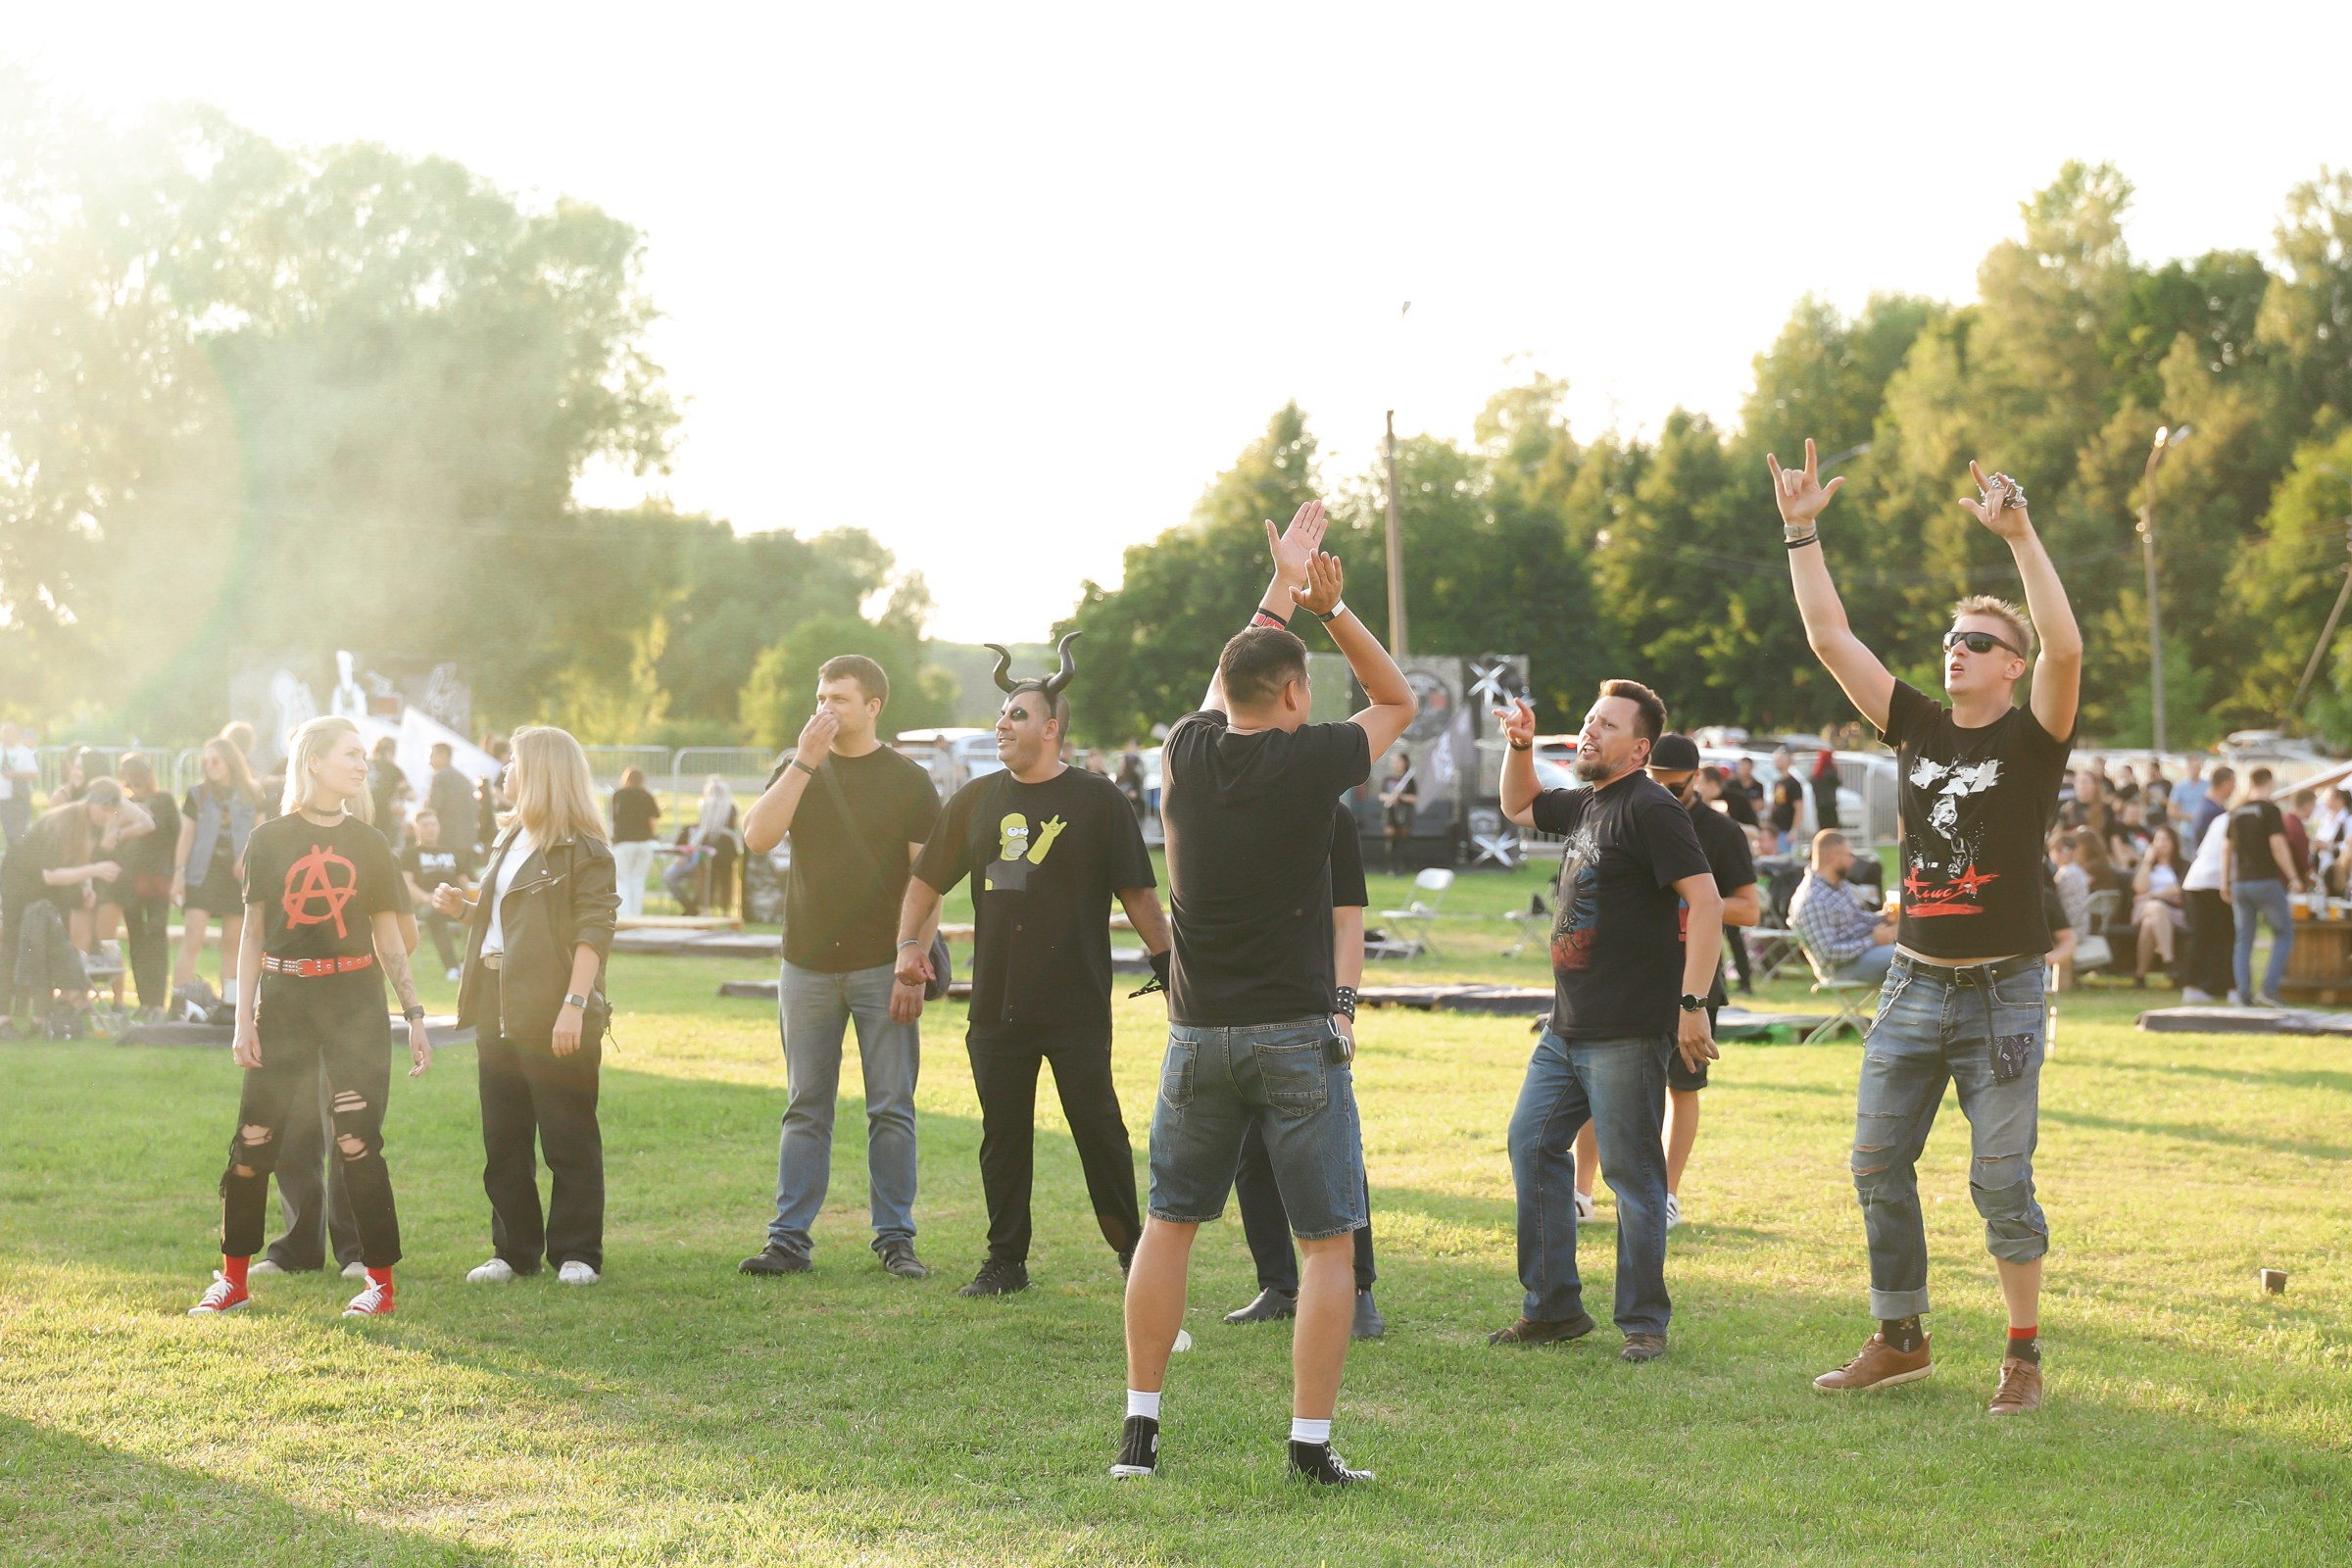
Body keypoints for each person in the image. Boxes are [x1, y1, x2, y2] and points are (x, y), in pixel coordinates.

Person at [1772, 440, 2079, 1417]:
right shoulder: (1917, 726)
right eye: (1951, 637)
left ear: (2013, 667)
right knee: (1874, 1160)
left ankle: (2021, 1356)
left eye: (1979, 642)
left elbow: (2067, 649)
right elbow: (1830, 637)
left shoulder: (2032, 737)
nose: (1957, 647)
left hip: (2004, 990)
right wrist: (1801, 529)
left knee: (2000, 1179)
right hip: (1912, 981)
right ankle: (1901, 1339)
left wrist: (2021, 536)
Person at [1112, 502, 1414, 1488]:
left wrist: (1281, 588)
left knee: (1171, 1223)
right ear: (1292, 692)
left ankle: (1140, 1433)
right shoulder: (1310, 756)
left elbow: (1224, 679)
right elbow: (1397, 697)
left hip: (1196, 1035)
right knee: (1327, 1244)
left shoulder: (1184, 755)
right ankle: (1310, 1446)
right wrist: (1332, 607)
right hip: (1293, 1034)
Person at [893, 636, 1168, 1298]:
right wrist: (908, 948)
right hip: (996, 1005)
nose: (1002, 724)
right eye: (1001, 715)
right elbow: (926, 880)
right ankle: (1005, 1261)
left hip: (1074, 1005)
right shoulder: (976, 800)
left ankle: (1135, 1258)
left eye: (1017, 715)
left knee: (1100, 1131)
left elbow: (1138, 895)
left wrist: (1171, 967)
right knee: (1003, 1135)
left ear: (1051, 729)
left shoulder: (1099, 801)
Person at [1489, 685, 1720, 1362]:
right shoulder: (1591, 802)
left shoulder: (1650, 807)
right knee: (1531, 1145)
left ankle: (1644, 1322)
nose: (1590, 731)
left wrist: (1692, 1004)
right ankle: (1553, 1309)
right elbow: (1520, 804)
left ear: (1640, 748)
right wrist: (1521, 745)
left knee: (1632, 1175)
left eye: (1607, 725)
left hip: (1626, 1026)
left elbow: (1704, 902)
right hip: (1566, 1028)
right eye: (1589, 720)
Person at [187, 715, 433, 1319]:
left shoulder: (372, 844)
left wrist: (416, 1014)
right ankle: (234, 1280)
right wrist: (243, 1020)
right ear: (315, 762)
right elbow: (252, 936)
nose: (361, 764)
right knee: (253, 1141)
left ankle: (379, 1286)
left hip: (354, 1003)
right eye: (350, 754)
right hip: (285, 1003)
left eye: (364, 758)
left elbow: (390, 941)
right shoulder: (269, 839)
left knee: (356, 1143)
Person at [737, 655, 942, 1279]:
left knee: (891, 1107)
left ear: (874, 705)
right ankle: (789, 1241)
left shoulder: (908, 780)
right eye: (820, 697)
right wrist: (804, 762)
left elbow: (927, 881)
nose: (825, 709)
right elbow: (757, 838)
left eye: (840, 700)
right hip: (806, 966)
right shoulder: (799, 766)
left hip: (884, 965)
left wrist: (912, 963)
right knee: (805, 1106)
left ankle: (895, 1241)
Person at [431, 726, 622, 1286]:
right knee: (504, 1136)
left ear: (539, 772)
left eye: (511, 763)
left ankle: (577, 1252)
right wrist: (464, 908)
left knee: (568, 1135)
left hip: (556, 1005)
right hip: (496, 1002)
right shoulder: (508, 837)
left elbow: (593, 931)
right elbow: (506, 923)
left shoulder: (585, 850)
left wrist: (573, 1004)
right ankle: (513, 1251)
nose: (503, 774)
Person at [1569, 734, 1757, 1233]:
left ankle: (1668, 1194)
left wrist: (1697, 900)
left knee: (1683, 1084)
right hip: (1627, 973)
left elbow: (1749, 907)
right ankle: (1581, 1190)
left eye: (1676, 787)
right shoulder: (1624, 809)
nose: (1666, 796)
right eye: (1657, 783)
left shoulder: (1719, 832)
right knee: (1598, 1085)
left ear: (1697, 780)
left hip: (1690, 977)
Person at [1223, 806, 1385, 1337]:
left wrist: (1342, 1008)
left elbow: (1348, 918)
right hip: (1237, 1009)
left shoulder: (1329, 817)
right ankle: (1277, 1285)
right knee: (1251, 1155)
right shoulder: (1225, 812)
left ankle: (1358, 1289)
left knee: (1335, 1154)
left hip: (1309, 1009)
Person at [1, 782, 136, 1036]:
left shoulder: (88, 825)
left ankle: (42, 1018)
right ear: (93, 803)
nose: (107, 817)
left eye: (112, 812)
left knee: (49, 946)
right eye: (105, 810)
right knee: (12, 945)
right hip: (21, 881)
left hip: (46, 886)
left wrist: (85, 885)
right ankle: (3, 1019)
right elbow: (50, 874)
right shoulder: (64, 821)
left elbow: (78, 859)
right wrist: (94, 872)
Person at [173, 737, 264, 1012]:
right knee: (193, 937)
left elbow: (259, 833)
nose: (210, 766)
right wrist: (178, 874)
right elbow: (186, 834)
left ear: (230, 761)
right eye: (206, 762)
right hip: (202, 873)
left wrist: (245, 856)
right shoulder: (197, 793)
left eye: (216, 760)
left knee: (232, 941)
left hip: (236, 877)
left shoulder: (252, 793)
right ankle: (179, 1000)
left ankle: (231, 1003)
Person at [2222, 766, 2300, 1007]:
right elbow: (2277, 845)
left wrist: (2225, 882)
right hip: (2265, 880)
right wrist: (2294, 877)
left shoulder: (2236, 812)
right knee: (2284, 933)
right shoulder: (2269, 810)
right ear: (2269, 781)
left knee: (2243, 939)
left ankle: (2243, 993)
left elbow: (2226, 849)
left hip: (2240, 883)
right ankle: (2269, 989)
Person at [114, 754, 180, 1019]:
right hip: (131, 879)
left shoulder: (163, 801)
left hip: (157, 879)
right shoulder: (124, 804)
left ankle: (156, 1001)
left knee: (156, 937)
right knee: (137, 938)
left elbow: (175, 836)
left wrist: (175, 873)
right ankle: (145, 1000)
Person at [1789, 830, 1898, 986]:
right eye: (1849, 855)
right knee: (1906, 959)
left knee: (1913, 951)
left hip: (1862, 955)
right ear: (1833, 858)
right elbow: (1827, 953)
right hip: (1839, 970)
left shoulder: (1839, 885)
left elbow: (1856, 917)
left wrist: (1884, 917)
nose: (1853, 861)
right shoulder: (1813, 899)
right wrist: (1873, 940)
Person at [402, 808, 476, 980]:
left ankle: (465, 962)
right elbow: (407, 882)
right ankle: (452, 968)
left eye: (434, 824)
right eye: (425, 825)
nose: (430, 829)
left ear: (439, 827)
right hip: (426, 905)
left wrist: (474, 901)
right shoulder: (409, 854)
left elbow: (464, 881)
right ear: (416, 828)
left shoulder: (451, 852)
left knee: (477, 914)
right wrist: (426, 897)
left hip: (455, 903)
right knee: (436, 913)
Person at [2179, 808, 2236, 1004]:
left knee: (2199, 936)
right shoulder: (2236, 820)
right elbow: (2227, 852)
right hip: (2216, 882)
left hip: (2195, 880)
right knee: (2227, 937)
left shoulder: (2220, 819)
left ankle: (2192, 985)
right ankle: (2231, 987)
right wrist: (2226, 883)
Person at [664, 777, 740, 916]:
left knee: (705, 879)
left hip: (707, 845)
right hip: (727, 847)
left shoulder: (705, 804)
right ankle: (725, 910)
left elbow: (703, 827)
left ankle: (705, 908)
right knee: (726, 879)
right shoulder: (731, 806)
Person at [2131, 825, 2188, 987]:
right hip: (2145, 909)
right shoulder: (2147, 865)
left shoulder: (2182, 865)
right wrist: (2147, 861)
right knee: (2156, 908)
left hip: (2173, 910)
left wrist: (2151, 895)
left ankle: (2140, 975)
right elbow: (2139, 888)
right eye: (2158, 840)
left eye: (2166, 840)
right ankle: (2169, 961)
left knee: (2150, 923)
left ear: (2174, 843)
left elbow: (2178, 889)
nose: (2162, 844)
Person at [609, 766, 662, 919]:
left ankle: (625, 915)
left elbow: (614, 819)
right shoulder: (647, 796)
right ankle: (636, 914)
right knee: (638, 880)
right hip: (644, 842)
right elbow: (652, 821)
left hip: (623, 842)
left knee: (623, 880)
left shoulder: (618, 795)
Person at [1379, 752, 1417, 875]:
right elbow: (1381, 795)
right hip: (1390, 814)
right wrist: (1390, 798)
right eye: (1394, 762)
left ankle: (1403, 867)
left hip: (1405, 814)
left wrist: (1401, 797)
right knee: (1390, 840)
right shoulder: (1388, 779)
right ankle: (1391, 868)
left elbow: (1414, 798)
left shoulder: (1410, 781)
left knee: (1403, 841)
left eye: (1398, 761)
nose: (1396, 764)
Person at [0, 722, 37, 847]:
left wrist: (15, 774)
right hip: (3, 798)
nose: (6, 736)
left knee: (20, 831)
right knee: (9, 832)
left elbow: (33, 774)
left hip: (21, 796)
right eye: (4, 733)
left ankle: (20, 860)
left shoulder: (24, 752)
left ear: (16, 734)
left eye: (9, 733)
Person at [2188, 764, 2234, 859]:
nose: (2234, 787)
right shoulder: (2213, 812)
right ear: (2225, 784)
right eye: (2233, 783)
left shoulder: (2206, 804)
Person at [368, 736, 406, 843]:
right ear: (391, 752)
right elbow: (410, 795)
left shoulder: (364, 764)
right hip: (383, 816)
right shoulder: (393, 769)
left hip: (360, 812)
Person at [1769, 746, 1803, 855]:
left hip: (1786, 829)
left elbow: (1799, 808)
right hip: (1776, 828)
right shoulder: (1777, 782)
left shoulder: (1793, 783)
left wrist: (1794, 830)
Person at [1808, 725, 1842, 832]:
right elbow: (1838, 782)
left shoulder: (1816, 774)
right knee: (1832, 828)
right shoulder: (1830, 772)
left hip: (1820, 804)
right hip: (1830, 804)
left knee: (1823, 828)